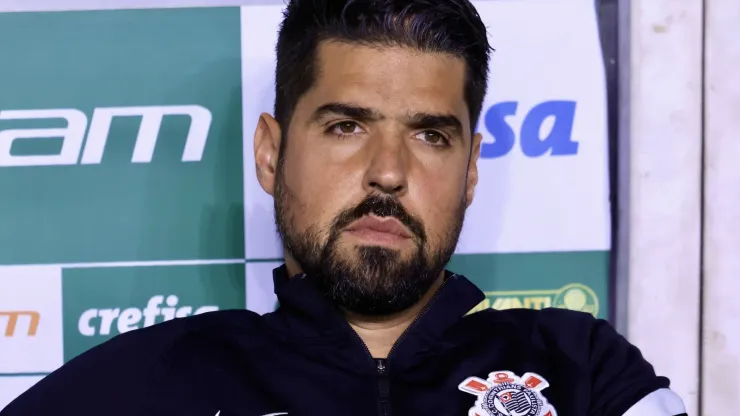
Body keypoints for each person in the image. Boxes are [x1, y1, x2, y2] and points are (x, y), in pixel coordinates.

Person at [2, 1, 686, 415]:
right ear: (270, 154)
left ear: (471, 168)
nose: (388, 172)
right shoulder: (150, 383)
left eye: (429, 135)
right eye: (345, 126)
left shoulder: (583, 372)